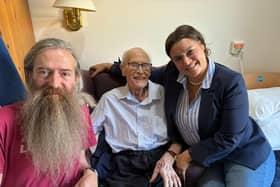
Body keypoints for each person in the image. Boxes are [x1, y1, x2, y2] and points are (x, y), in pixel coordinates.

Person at [89, 25, 276, 187]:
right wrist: (112, 66)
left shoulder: (230, 82)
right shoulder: (173, 74)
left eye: (190, 52)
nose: (186, 61)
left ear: (203, 46)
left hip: (243, 153)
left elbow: (230, 137)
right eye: (178, 58)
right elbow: (144, 71)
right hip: (212, 159)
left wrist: (187, 155)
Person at [0, 38, 98, 187]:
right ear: (29, 76)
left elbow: (81, 158)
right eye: (44, 72)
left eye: (65, 74)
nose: (54, 83)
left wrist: (90, 173)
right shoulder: (3, 121)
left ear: (76, 79)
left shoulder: (80, 111)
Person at [91, 47, 181, 187]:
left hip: (160, 158)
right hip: (124, 164)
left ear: (150, 70)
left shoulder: (164, 94)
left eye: (145, 65)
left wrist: (171, 155)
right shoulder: (110, 99)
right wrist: (87, 168)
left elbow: (180, 131)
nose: (140, 71)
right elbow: (89, 131)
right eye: (133, 65)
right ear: (123, 70)